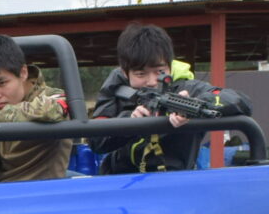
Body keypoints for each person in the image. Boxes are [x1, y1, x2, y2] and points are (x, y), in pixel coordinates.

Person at [90, 23, 250, 173]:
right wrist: (129, 122)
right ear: (125, 73)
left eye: (160, 72)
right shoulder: (117, 87)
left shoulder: (187, 88)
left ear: (170, 66)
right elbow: (96, 141)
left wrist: (195, 105)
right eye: (141, 74)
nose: (152, 81)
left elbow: (240, 101)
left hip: (175, 181)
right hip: (121, 180)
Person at [0, 35, 72, 183]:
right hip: (1, 190)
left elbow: (52, 111)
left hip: (42, 191)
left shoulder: (51, 97)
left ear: (23, 73)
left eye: (2, 83)